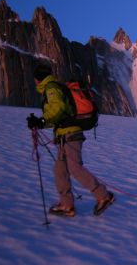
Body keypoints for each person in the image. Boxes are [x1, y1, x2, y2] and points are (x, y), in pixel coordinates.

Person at [26, 64, 114, 217]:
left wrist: (41, 121)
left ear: (38, 79)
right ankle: (67, 205)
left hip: (70, 135)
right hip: (64, 135)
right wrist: (40, 123)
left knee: (74, 168)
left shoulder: (51, 88)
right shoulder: (53, 87)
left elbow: (58, 109)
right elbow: (59, 116)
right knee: (60, 170)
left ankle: (103, 196)